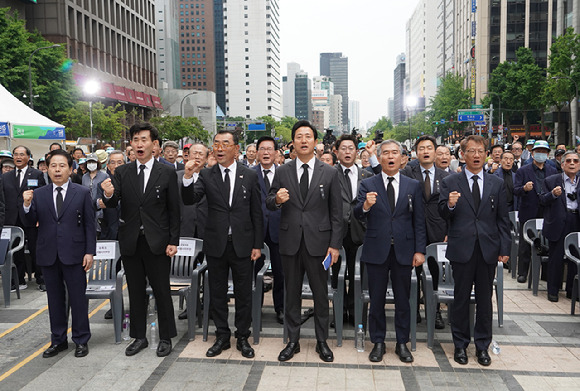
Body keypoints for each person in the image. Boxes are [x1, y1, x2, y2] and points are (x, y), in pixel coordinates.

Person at [182, 130, 263, 359]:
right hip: (216, 243)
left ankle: (243, 336)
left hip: (243, 244)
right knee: (216, 292)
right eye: (216, 143)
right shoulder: (207, 176)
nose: (219, 148)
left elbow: (257, 212)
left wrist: (257, 244)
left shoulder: (249, 175)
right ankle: (222, 335)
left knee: (243, 292)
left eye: (224, 144)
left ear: (236, 149)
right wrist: (188, 178)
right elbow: (190, 199)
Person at [266, 120, 342, 363]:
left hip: (319, 244)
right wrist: (277, 199)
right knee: (291, 294)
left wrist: (334, 245)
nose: (304, 140)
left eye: (308, 136)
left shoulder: (329, 172)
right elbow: (269, 201)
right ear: (293, 142)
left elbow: (337, 213)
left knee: (321, 294)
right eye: (299, 136)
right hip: (290, 242)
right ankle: (293, 341)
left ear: (316, 141)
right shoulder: (282, 171)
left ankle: (322, 342)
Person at [101, 123, 180, 357]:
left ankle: (165, 337)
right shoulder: (123, 172)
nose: (139, 144)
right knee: (135, 292)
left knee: (161, 291)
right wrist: (107, 193)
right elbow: (114, 203)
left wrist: (173, 240)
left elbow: (174, 210)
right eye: (135, 139)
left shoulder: (166, 172)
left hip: (158, 242)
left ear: (154, 144)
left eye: (143, 139)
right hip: (131, 241)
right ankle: (139, 337)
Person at [439, 135, 510, 366]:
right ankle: (460, 345)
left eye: (481, 151)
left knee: (484, 299)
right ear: (463, 154)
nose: (477, 155)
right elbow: (443, 213)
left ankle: (482, 346)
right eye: (471, 151)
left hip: (488, 249)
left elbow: (502, 220)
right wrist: (449, 204)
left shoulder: (496, 183)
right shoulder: (451, 182)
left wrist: (504, 248)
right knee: (460, 298)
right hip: (462, 248)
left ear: (486, 153)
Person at [354, 139, 426, 363]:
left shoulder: (413, 185)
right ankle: (377, 342)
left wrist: (420, 250)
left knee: (403, 300)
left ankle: (402, 343)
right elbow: (356, 213)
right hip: (377, 249)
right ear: (380, 156)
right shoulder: (368, 183)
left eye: (395, 152)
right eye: (386, 153)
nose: (391, 156)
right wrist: (365, 206)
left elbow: (419, 221)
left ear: (402, 157)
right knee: (376, 299)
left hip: (404, 250)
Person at [21, 149, 95, 358]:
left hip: (75, 253)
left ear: (70, 169)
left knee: (78, 299)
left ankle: (81, 339)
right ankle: (58, 340)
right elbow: (28, 223)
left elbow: (90, 225)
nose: (57, 169)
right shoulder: (39, 194)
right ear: (47, 169)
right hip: (48, 253)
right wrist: (26, 205)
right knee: (54, 300)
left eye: (62, 165)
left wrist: (90, 252)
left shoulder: (81, 192)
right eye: (53, 165)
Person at [401, 135, 449, 329]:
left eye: (429, 148)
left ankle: (435, 310)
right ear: (416, 152)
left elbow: (451, 208)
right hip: (412, 230)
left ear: (435, 151)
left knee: (435, 273)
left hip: (438, 231)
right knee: (412, 272)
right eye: (422, 148)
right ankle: (413, 308)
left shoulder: (446, 176)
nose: (426, 151)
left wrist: (449, 232)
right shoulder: (406, 173)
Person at [334, 134, 373, 326]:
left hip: (361, 232)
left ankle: (357, 314)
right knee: (336, 276)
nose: (347, 152)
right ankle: (339, 314)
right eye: (343, 148)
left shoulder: (367, 175)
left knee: (359, 276)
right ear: (336, 152)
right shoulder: (329, 173)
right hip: (336, 235)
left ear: (357, 152)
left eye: (351, 148)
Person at [2, 145, 46, 291]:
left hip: (30, 217)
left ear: (28, 157)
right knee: (15, 251)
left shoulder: (36, 174)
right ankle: (18, 280)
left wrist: (40, 216)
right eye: (15, 154)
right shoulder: (5, 176)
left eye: (21, 154)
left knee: (35, 248)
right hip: (11, 219)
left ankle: (41, 278)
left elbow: (41, 197)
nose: (18, 157)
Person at [514, 140, 557, 283]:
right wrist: (524, 189)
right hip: (528, 210)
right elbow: (515, 190)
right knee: (525, 243)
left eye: (544, 152)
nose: (541, 154)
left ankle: (545, 274)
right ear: (532, 154)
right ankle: (522, 273)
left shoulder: (552, 171)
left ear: (548, 154)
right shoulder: (523, 171)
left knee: (547, 241)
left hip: (547, 211)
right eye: (538, 152)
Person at [540, 151, 580, 302]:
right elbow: (542, 200)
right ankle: (553, 291)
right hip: (558, 222)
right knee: (556, 258)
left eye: (575, 161)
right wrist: (553, 195)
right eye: (568, 161)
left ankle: (573, 290)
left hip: (576, 219)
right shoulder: (551, 180)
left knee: (575, 258)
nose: (572, 163)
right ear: (562, 164)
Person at [175, 142, 208, 320]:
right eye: (193, 153)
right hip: (185, 229)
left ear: (206, 158)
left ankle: (207, 304)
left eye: (200, 154)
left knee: (206, 271)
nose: (196, 156)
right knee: (188, 271)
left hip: (206, 230)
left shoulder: (211, 176)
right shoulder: (177, 176)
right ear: (186, 156)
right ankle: (191, 305)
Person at [254, 136, 285, 324]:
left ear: (276, 153)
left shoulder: (285, 173)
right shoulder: (248, 174)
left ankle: (280, 308)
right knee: (254, 273)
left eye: (269, 149)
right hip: (256, 232)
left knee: (280, 273)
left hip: (279, 230)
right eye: (262, 149)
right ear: (257, 152)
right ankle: (255, 307)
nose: (266, 152)